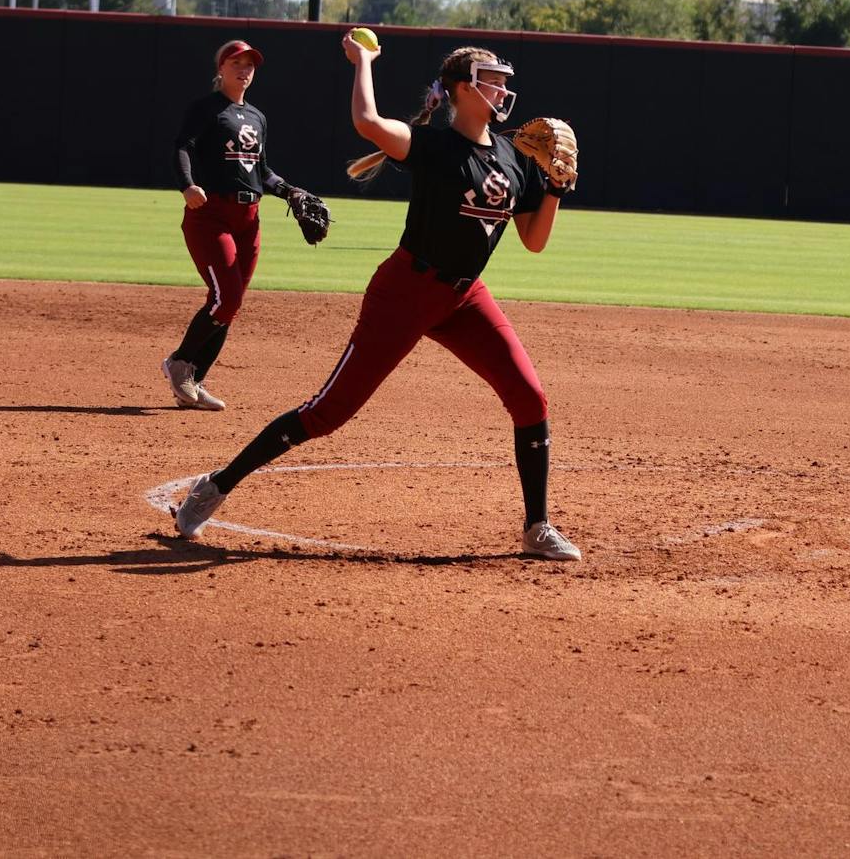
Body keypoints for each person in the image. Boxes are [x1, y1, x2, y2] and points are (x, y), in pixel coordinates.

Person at [173, 32, 582, 561]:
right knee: (326, 414)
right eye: (492, 81)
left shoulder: (512, 154)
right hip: (406, 292)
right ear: (461, 89)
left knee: (530, 399)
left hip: (464, 297)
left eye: (506, 82)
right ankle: (217, 484)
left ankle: (537, 527)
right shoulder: (434, 144)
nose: (503, 90)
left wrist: (554, 189)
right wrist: (364, 60)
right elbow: (367, 122)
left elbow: (534, 240)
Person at [162, 38, 320, 411]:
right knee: (226, 298)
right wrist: (187, 185)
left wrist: (290, 191)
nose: (244, 69)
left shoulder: (257, 118)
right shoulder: (206, 109)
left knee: (229, 304)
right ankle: (179, 363)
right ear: (220, 69)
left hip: (249, 221)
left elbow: (261, 171)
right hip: (211, 215)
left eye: (250, 64)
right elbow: (182, 146)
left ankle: (194, 382)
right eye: (236, 62)